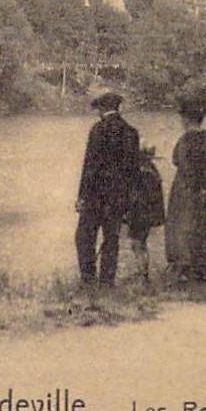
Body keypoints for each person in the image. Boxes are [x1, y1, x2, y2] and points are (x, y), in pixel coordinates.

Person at [74, 91, 140, 288]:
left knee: (84, 237)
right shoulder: (131, 132)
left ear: (102, 109)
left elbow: (90, 167)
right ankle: (107, 282)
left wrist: (82, 196)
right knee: (111, 239)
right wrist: (129, 196)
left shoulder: (98, 130)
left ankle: (88, 279)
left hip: (96, 195)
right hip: (118, 196)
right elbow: (133, 170)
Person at [165, 95, 206, 282]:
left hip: (185, 189)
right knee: (205, 226)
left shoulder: (185, 140)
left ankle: (184, 268)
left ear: (186, 119)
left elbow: (178, 161)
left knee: (182, 227)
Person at [123, 141, 166, 286]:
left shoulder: (141, 173)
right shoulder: (153, 171)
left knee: (137, 244)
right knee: (141, 244)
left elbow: (135, 196)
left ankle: (143, 276)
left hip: (139, 214)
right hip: (148, 214)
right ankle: (143, 274)